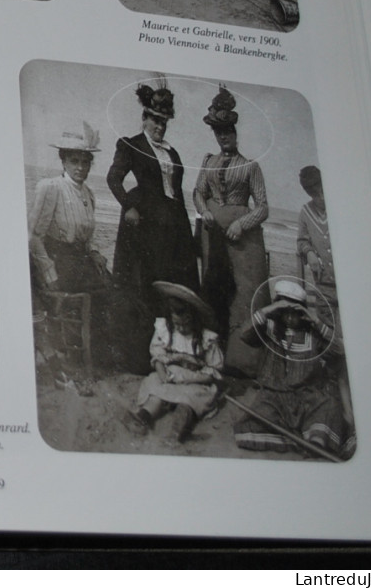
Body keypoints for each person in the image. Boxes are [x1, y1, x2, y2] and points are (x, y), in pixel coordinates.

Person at [107, 83, 199, 370]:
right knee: (145, 285)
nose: (160, 126)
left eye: (164, 121)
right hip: (145, 227)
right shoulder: (131, 144)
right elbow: (113, 178)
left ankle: (173, 352)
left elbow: (175, 191)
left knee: (174, 285)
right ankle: (140, 358)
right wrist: (128, 206)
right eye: (155, 120)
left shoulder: (172, 152)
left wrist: (187, 233)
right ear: (144, 118)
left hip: (174, 226)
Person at [192, 84, 270, 373]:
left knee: (245, 293)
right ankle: (212, 354)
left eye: (228, 131)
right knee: (213, 290)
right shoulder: (208, 162)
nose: (223, 136)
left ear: (236, 132)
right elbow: (197, 193)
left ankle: (243, 362)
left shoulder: (251, 167)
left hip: (243, 240)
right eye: (218, 132)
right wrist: (204, 211)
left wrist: (241, 223)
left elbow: (263, 207)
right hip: (212, 237)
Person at [233, 277, 354, 459]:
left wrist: (316, 321)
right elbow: (243, 334)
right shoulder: (270, 328)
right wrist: (269, 309)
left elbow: (339, 350)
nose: (289, 318)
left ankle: (315, 441)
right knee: (248, 429)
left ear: (302, 312)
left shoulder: (312, 334)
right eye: (285, 312)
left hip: (308, 397)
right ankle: (306, 441)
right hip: (274, 397)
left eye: (294, 312)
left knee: (328, 407)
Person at [124, 281, 224, 443]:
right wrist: (163, 374)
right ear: (171, 320)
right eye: (177, 324)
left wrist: (190, 378)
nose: (182, 329)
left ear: (195, 320)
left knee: (189, 399)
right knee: (156, 388)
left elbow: (212, 373)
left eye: (186, 324)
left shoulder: (206, 339)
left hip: (195, 381)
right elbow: (157, 355)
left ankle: (177, 431)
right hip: (170, 375)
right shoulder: (166, 331)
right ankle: (143, 417)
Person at [28, 121, 110, 295]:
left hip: (81, 263)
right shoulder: (50, 187)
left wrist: (94, 252)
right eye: (74, 161)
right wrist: (50, 275)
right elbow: (34, 237)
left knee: (115, 294)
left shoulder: (89, 194)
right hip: (58, 264)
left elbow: (87, 238)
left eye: (85, 162)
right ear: (63, 161)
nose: (80, 167)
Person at [296, 165, 337, 312]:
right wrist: (309, 252)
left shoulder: (339, 206)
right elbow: (301, 241)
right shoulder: (306, 212)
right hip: (324, 286)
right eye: (315, 194)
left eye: (322, 191)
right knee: (326, 327)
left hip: (348, 282)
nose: (321, 197)